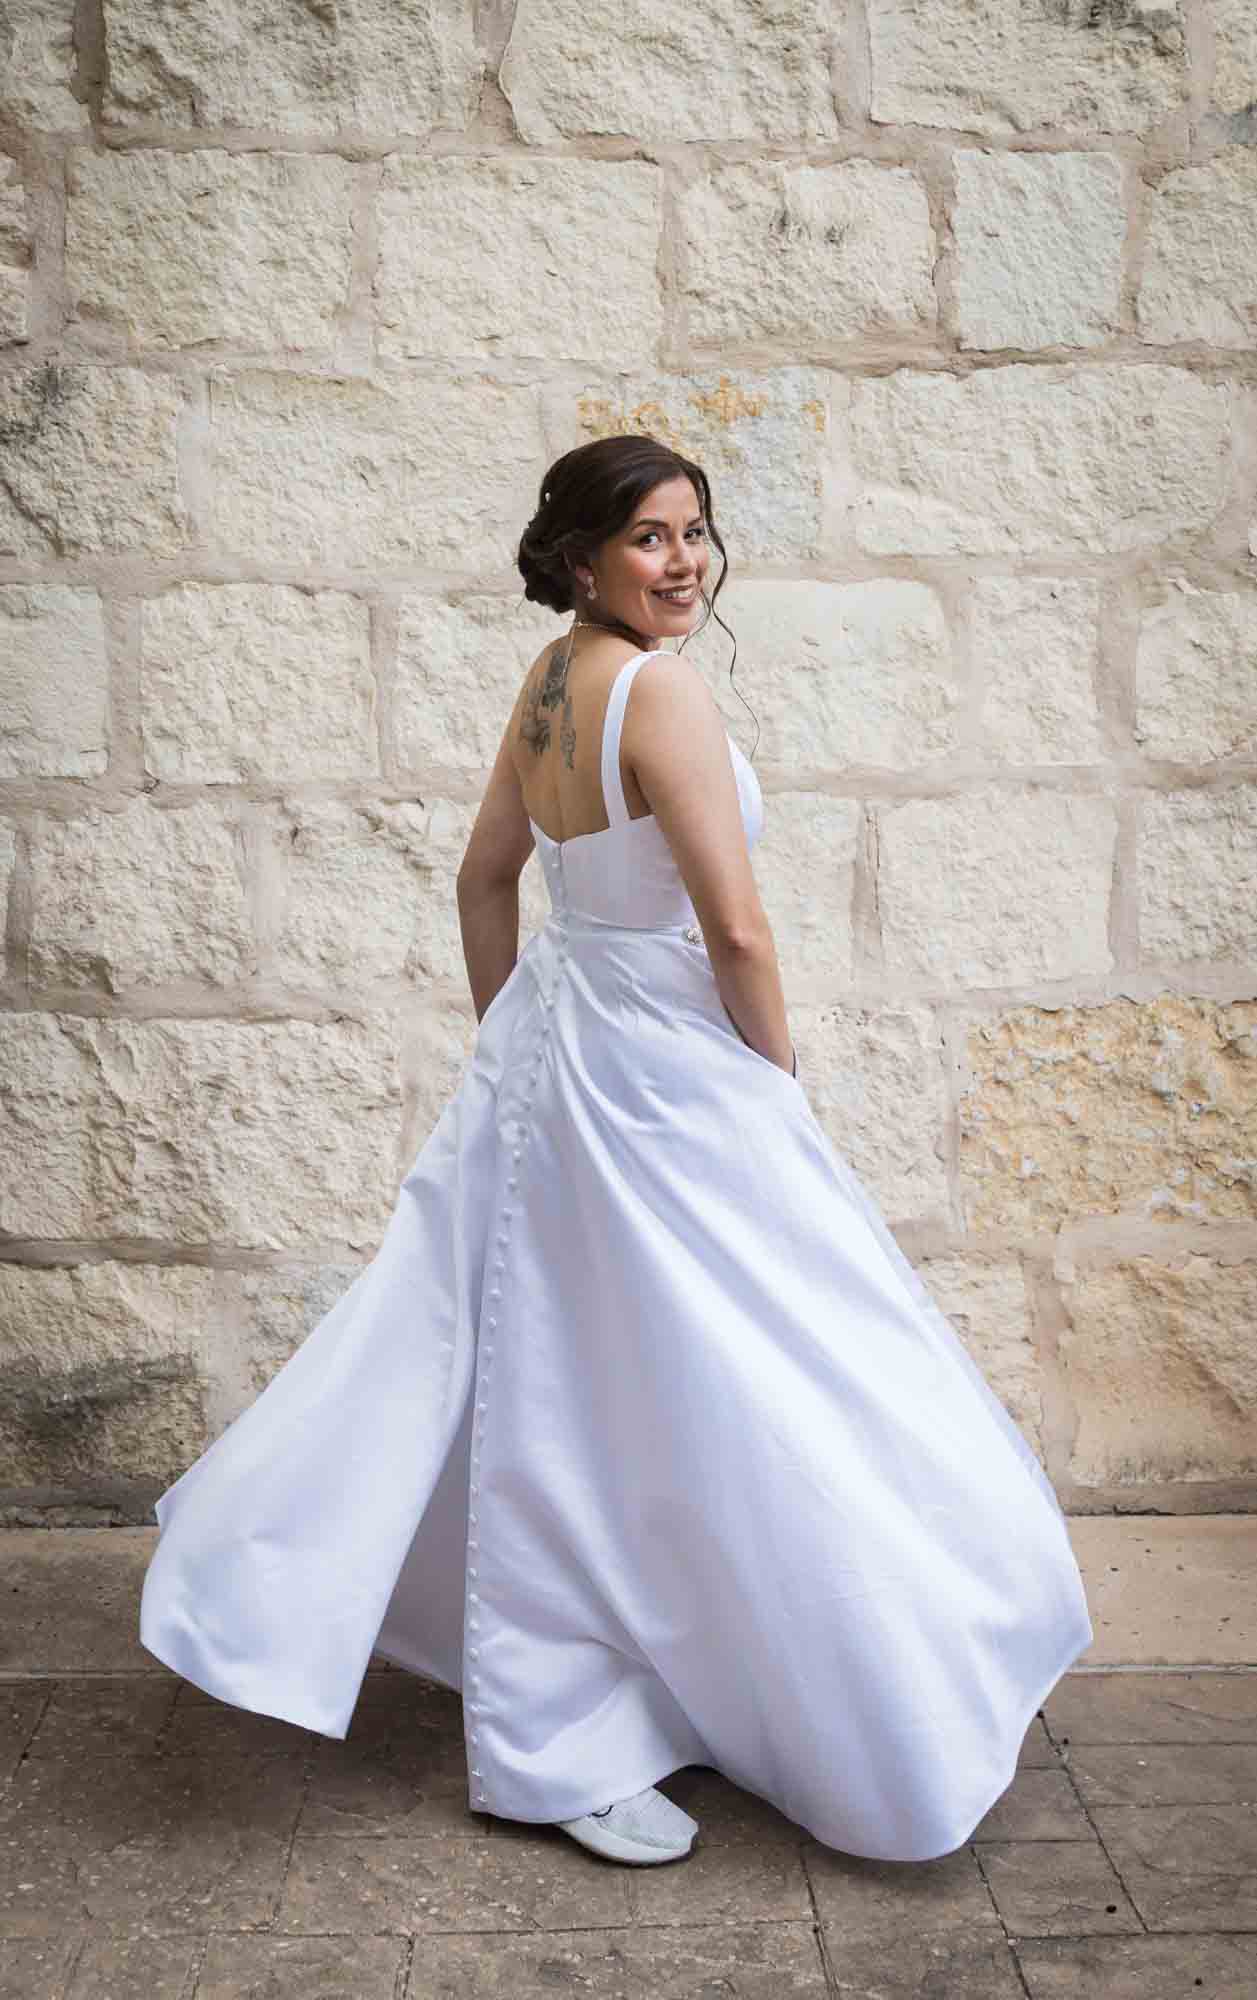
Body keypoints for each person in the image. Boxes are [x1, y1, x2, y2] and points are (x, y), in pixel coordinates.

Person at [139, 434, 1094, 1870]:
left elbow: (485, 880)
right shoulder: (662, 693)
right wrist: (768, 1080)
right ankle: (743, 1695)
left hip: (563, 1058)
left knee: (583, 1379)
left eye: (696, 532)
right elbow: (738, 931)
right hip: (671, 1078)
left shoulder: (545, 684)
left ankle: (630, 1694)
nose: (684, 562)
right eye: (649, 537)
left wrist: (514, 1041)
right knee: (753, 1363)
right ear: (579, 558)